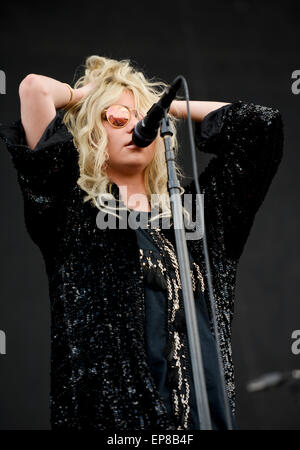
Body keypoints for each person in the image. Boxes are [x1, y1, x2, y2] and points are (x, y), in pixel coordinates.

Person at [0, 55, 284, 430]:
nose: (133, 123)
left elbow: (261, 128)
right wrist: (90, 95)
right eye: (115, 117)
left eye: (140, 115)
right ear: (91, 132)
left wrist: (167, 107)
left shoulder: (196, 221)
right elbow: (34, 89)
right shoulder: (72, 216)